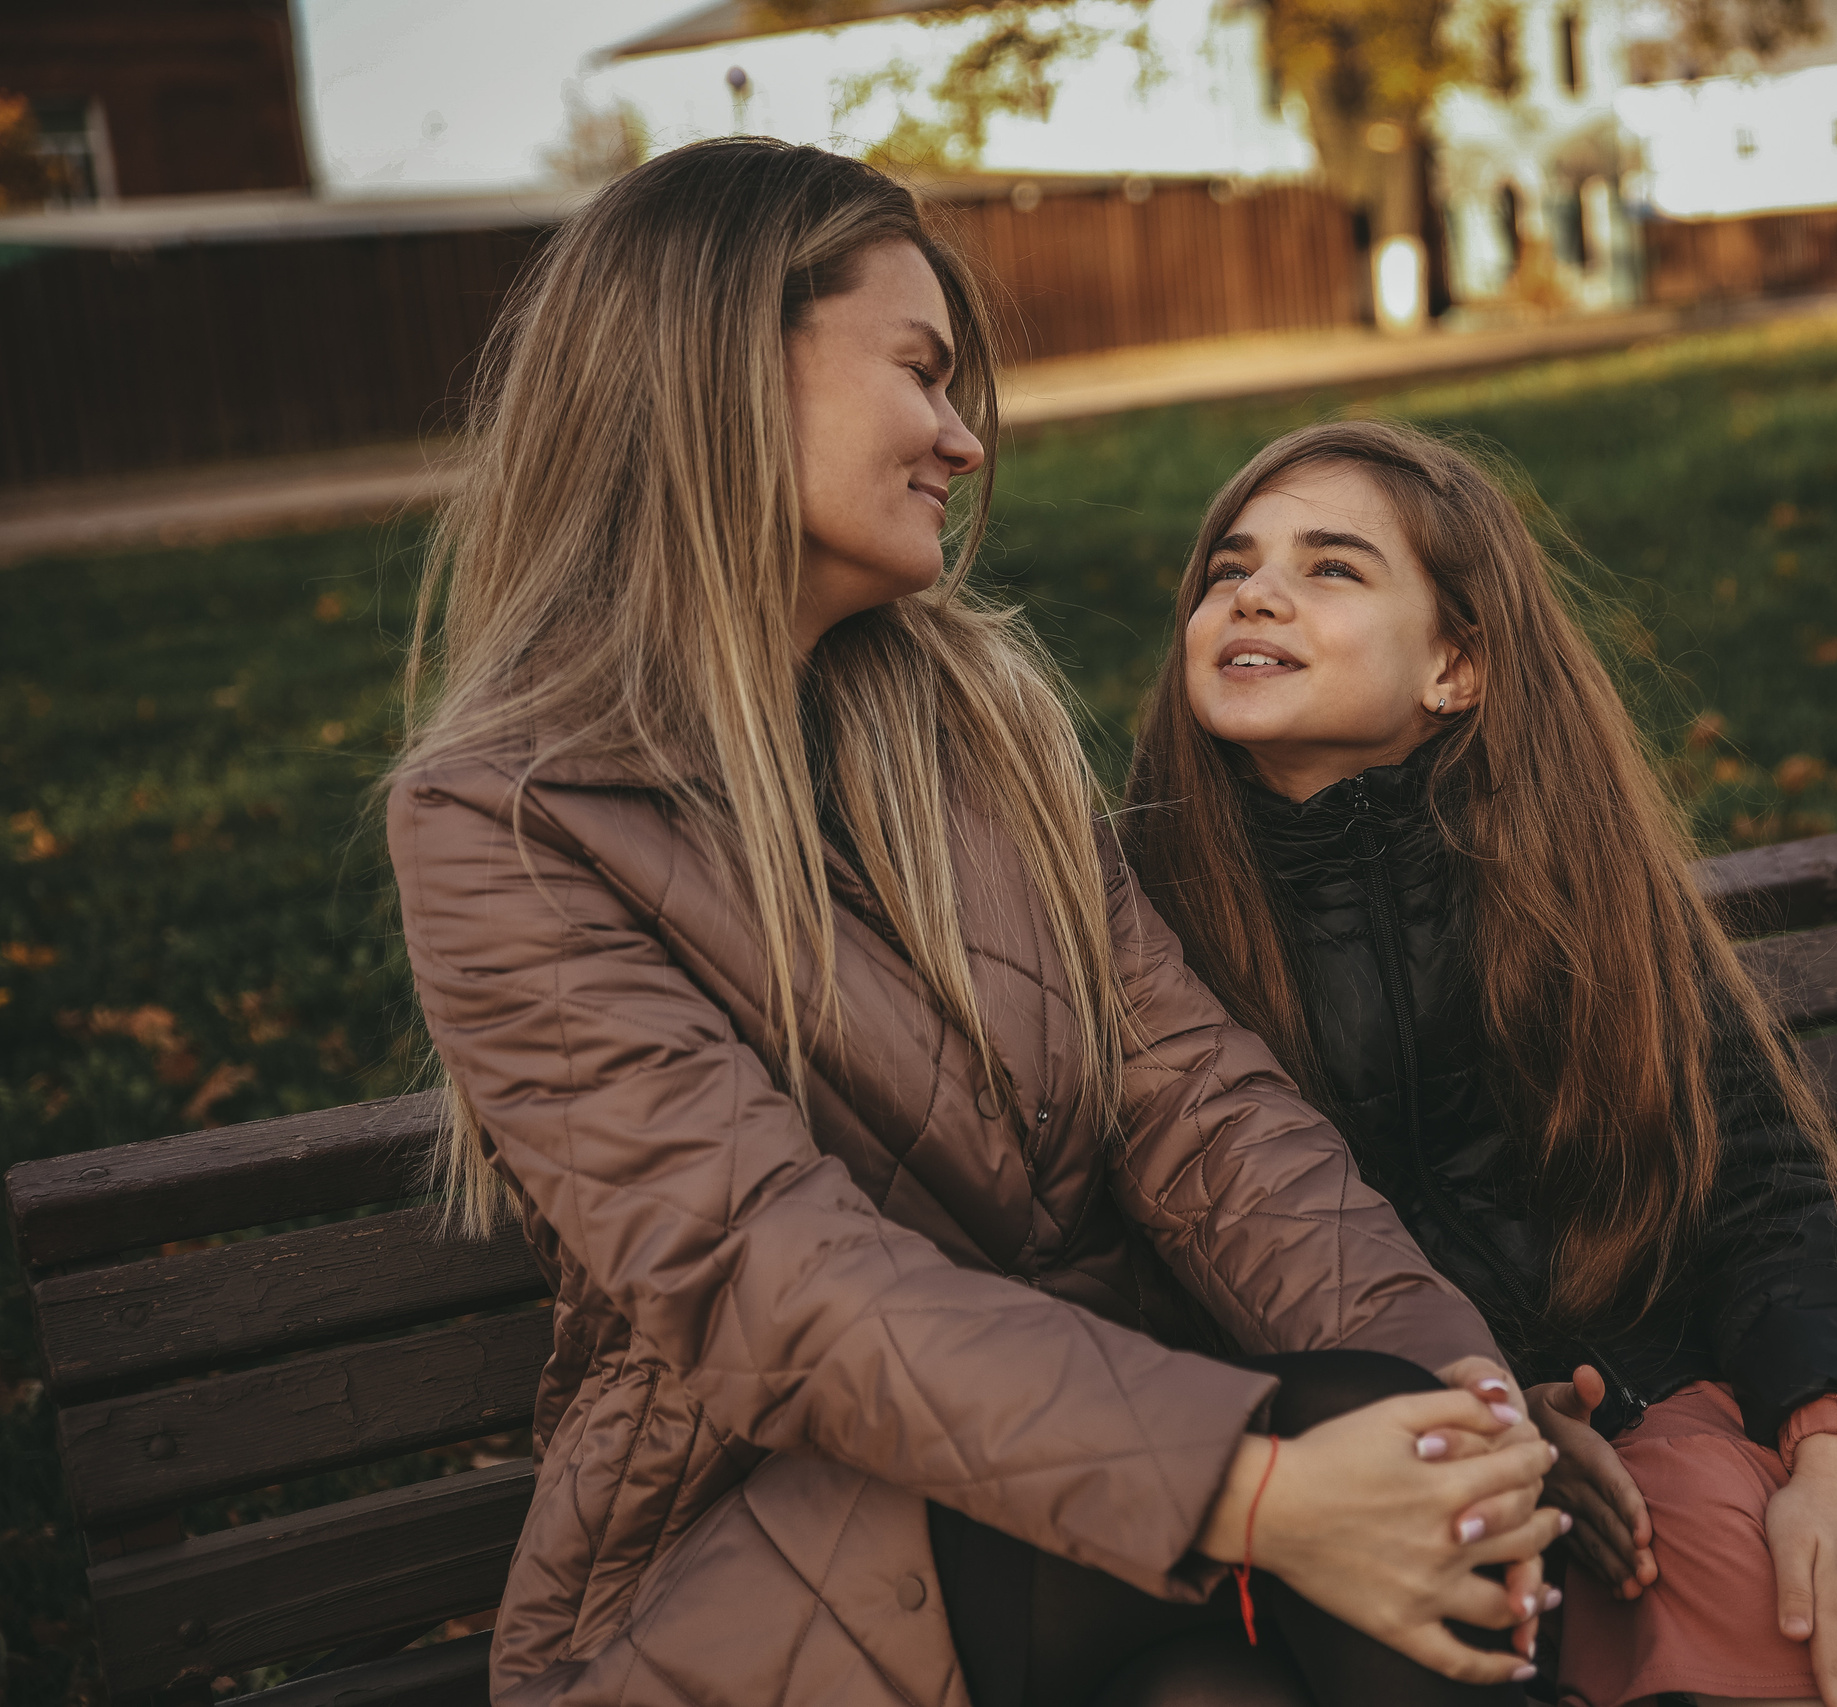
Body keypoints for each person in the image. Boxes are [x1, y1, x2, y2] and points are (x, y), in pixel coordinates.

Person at [386, 141, 1567, 1707]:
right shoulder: (510, 820)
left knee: (1358, 1543)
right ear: (727, 363)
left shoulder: (974, 725)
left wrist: (1459, 1390)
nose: (964, 438)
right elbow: (774, 1281)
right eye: (921, 371)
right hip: (759, 1550)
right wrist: (1263, 1484)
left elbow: (1204, 1111)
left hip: (1112, 1504)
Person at [1120, 420, 1837, 1707]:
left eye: (1330, 567)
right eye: (1229, 567)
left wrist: (1833, 1457)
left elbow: (1763, 1189)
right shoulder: (1142, 919)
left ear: (1456, 666)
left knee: (1757, 1567)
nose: (1254, 592)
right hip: (1368, 1466)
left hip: (1659, 1402)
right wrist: (1504, 1418)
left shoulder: (1572, 881)